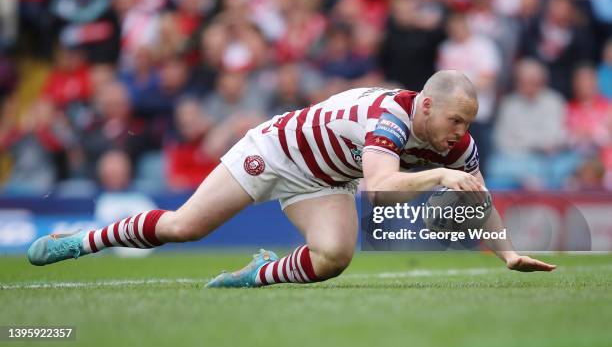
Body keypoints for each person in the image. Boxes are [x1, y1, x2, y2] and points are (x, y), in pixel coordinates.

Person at [26, 70, 556, 287]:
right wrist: (440, 174)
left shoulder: (455, 143)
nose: (460, 132)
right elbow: (379, 186)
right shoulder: (388, 120)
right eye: (454, 120)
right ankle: (78, 241)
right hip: (275, 152)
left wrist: (508, 253)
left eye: (467, 123)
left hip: (324, 180)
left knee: (333, 259)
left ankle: (252, 276)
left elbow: (478, 200)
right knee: (184, 228)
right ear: (426, 105)